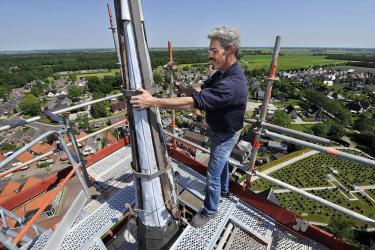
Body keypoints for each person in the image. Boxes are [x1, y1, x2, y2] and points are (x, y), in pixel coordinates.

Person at [131, 26, 248, 227]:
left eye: (214, 50)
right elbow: (203, 90)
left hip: (226, 133)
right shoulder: (222, 72)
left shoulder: (233, 83)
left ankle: (210, 211)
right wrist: (185, 89)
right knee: (220, 163)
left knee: (212, 174)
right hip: (221, 129)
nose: (209, 55)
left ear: (230, 51)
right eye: (209, 49)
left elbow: (192, 103)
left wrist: (153, 101)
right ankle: (225, 189)